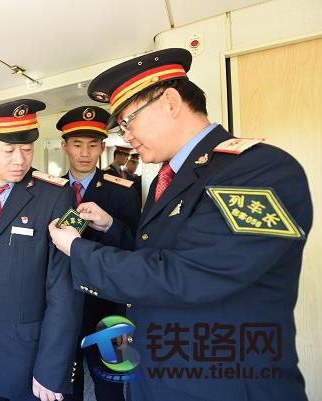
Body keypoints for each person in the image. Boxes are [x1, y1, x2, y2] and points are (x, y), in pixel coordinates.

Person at [48, 48, 312, 401]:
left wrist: (76, 248)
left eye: (128, 122)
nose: (126, 137)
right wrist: (111, 226)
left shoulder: (255, 171)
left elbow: (187, 274)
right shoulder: (173, 176)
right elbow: (157, 251)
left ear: (170, 102)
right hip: (160, 374)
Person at [0, 99, 83, 401]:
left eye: (27, 148)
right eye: (8, 150)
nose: (20, 160)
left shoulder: (56, 195)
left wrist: (51, 367)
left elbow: (65, 290)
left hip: (29, 353)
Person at [57, 106, 141, 401]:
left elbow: (135, 247)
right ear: (64, 146)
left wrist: (111, 225)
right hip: (63, 304)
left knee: (111, 385)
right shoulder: (50, 190)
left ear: (102, 147)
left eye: (93, 145)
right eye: (77, 144)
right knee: (67, 384)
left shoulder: (123, 191)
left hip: (109, 306)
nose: (85, 153)